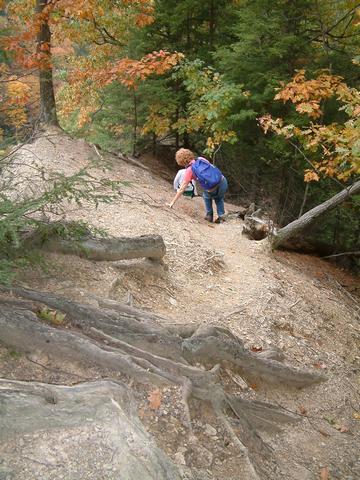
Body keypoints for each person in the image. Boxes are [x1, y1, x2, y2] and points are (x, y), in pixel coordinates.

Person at [168, 148, 228, 223]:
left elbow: (182, 188)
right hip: (223, 181)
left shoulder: (189, 171)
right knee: (219, 199)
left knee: (206, 195)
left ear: (181, 162)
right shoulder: (201, 159)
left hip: (212, 188)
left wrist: (172, 202)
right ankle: (222, 217)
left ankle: (209, 215)